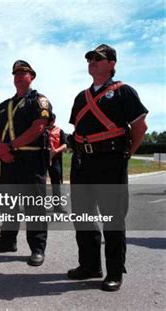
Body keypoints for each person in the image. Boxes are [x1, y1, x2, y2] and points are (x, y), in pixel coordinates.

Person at [67, 44, 148, 291]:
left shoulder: (124, 92)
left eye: (98, 59)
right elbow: (77, 131)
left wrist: (126, 155)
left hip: (110, 162)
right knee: (83, 216)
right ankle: (90, 265)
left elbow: (140, 128)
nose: (92, 62)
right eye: (90, 58)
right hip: (83, 162)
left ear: (112, 63)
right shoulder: (81, 97)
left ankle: (114, 271)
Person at [0, 60, 52, 267]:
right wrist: (0, 148)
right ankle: (7, 240)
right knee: (8, 203)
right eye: (16, 74)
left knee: (34, 207)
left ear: (32, 77)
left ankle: (37, 248)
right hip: (9, 160)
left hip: (31, 160)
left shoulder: (39, 100)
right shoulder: (5, 105)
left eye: (24, 73)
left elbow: (38, 127)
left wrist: (10, 146)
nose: (19, 77)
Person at [45, 113, 67, 213]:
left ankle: (57, 207)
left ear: (54, 121)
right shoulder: (41, 130)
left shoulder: (59, 131)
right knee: (39, 184)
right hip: (42, 159)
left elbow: (65, 145)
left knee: (56, 184)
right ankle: (38, 206)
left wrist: (55, 151)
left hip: (55, 160)